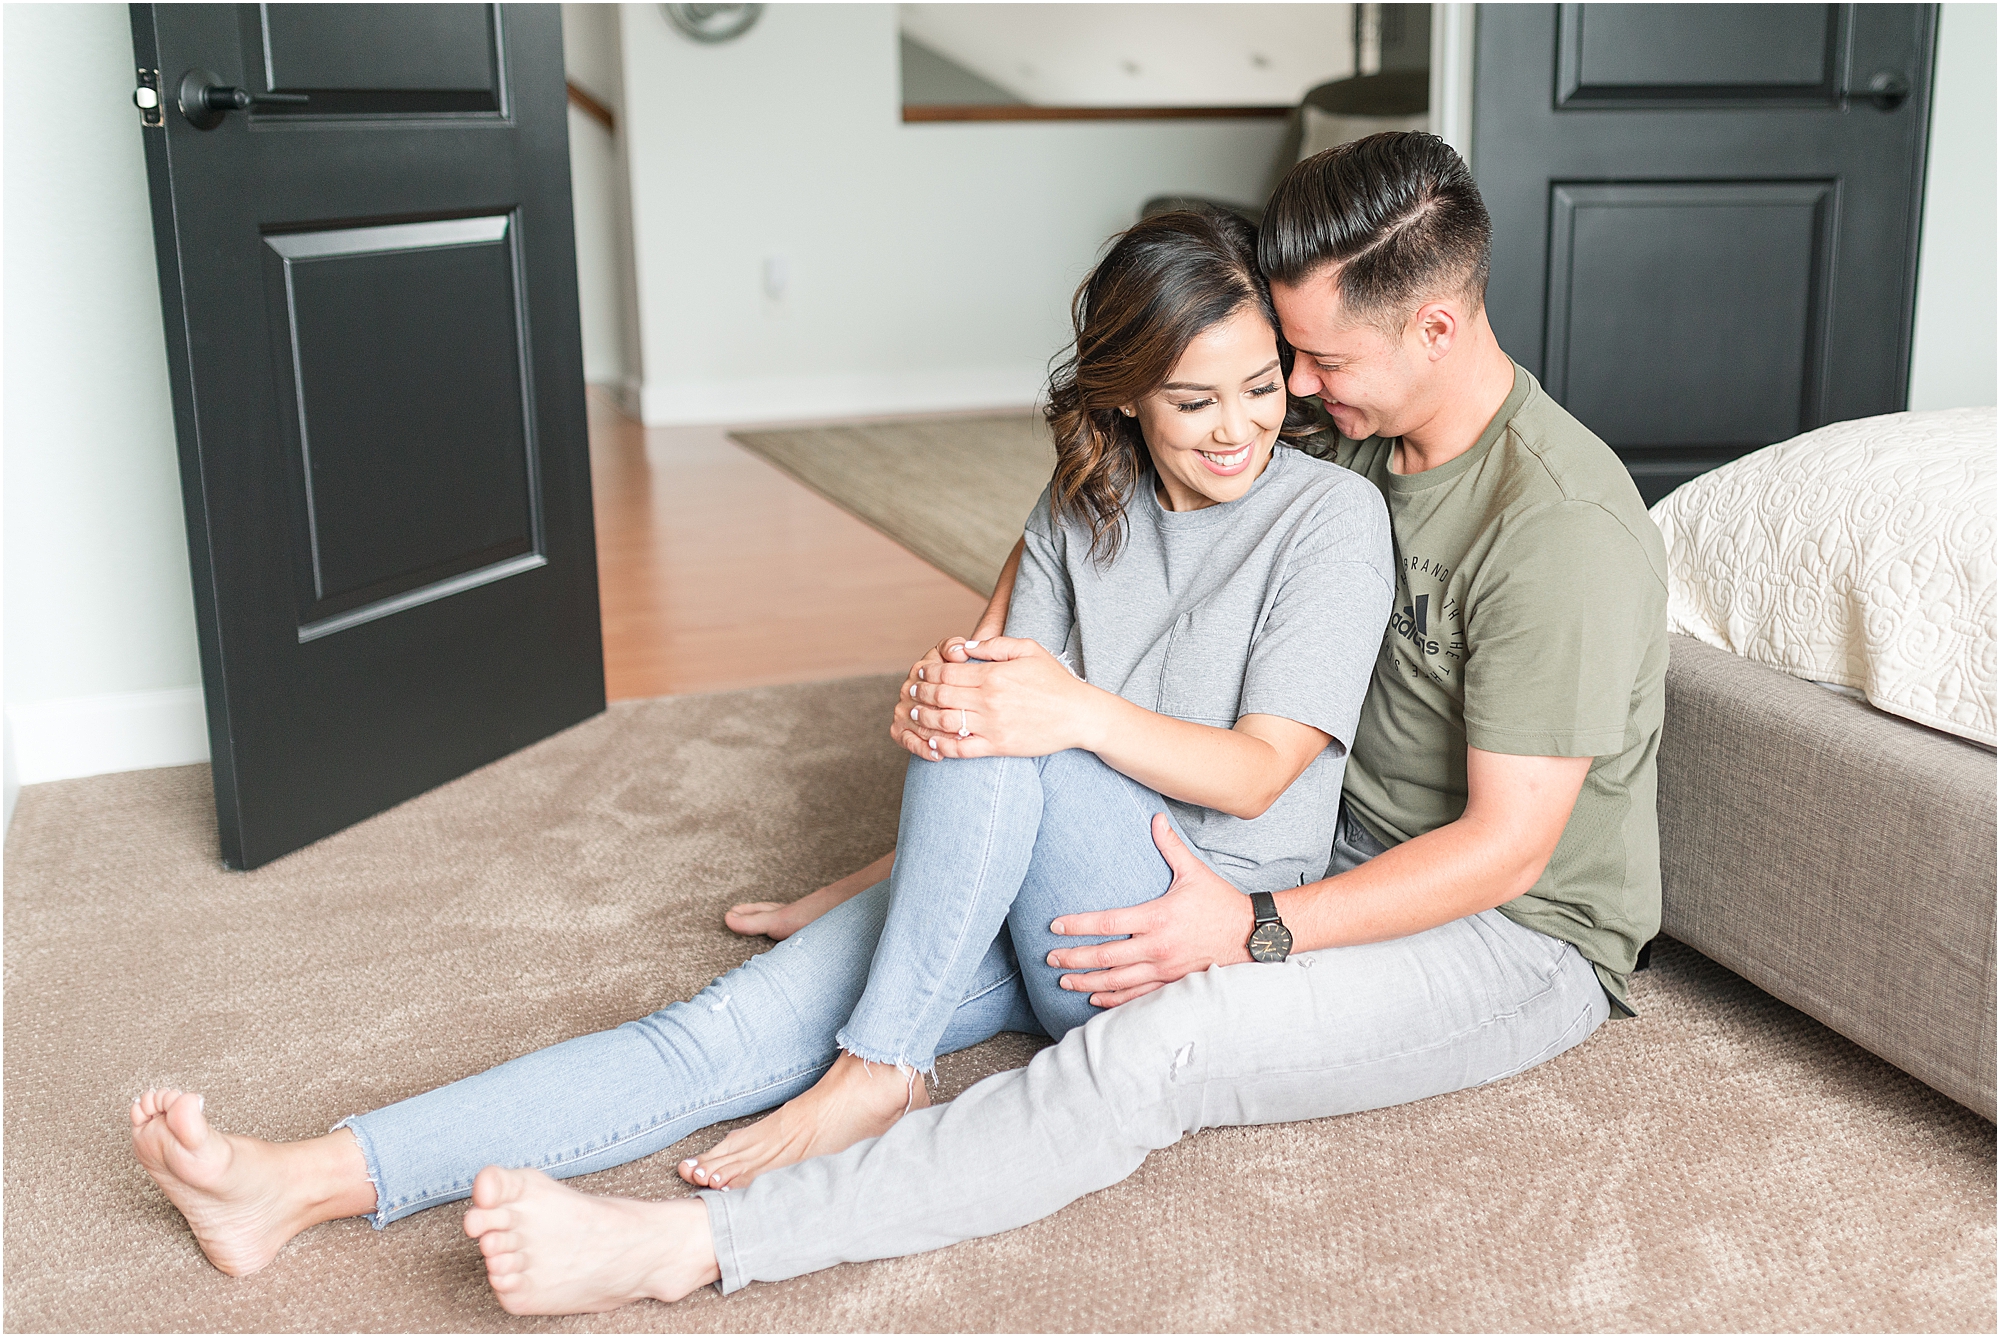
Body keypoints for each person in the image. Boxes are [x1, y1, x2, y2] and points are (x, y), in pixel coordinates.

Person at [444, 129, 1670, 1316]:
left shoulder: (1555, 528)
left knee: (1153, 1052)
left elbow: (1506, 849)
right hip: (1292, 850)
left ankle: (687, 1246)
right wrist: (894, 868)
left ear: (1437, 327)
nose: (1289, 389)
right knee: (799, 986)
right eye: (1279, 360)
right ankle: (330, 1169)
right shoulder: (1351, 446)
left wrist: (1249, 927)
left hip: (1511, 936)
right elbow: (1065, 623)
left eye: (1318, 361)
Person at [127, 208, 1395, 1285]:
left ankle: (879, 1064)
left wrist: (1060, 714)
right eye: (1192, 398)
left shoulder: (1328, 518)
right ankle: (298, 1180)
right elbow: (996, 737)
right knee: (714, 1033)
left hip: (1183, 932)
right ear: (1123, 393)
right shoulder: (1081, 505)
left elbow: (1256, 771)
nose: (1236, 427)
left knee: (1003, 702)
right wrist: (870, 884)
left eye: (1261, 386)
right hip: (1040, 893)